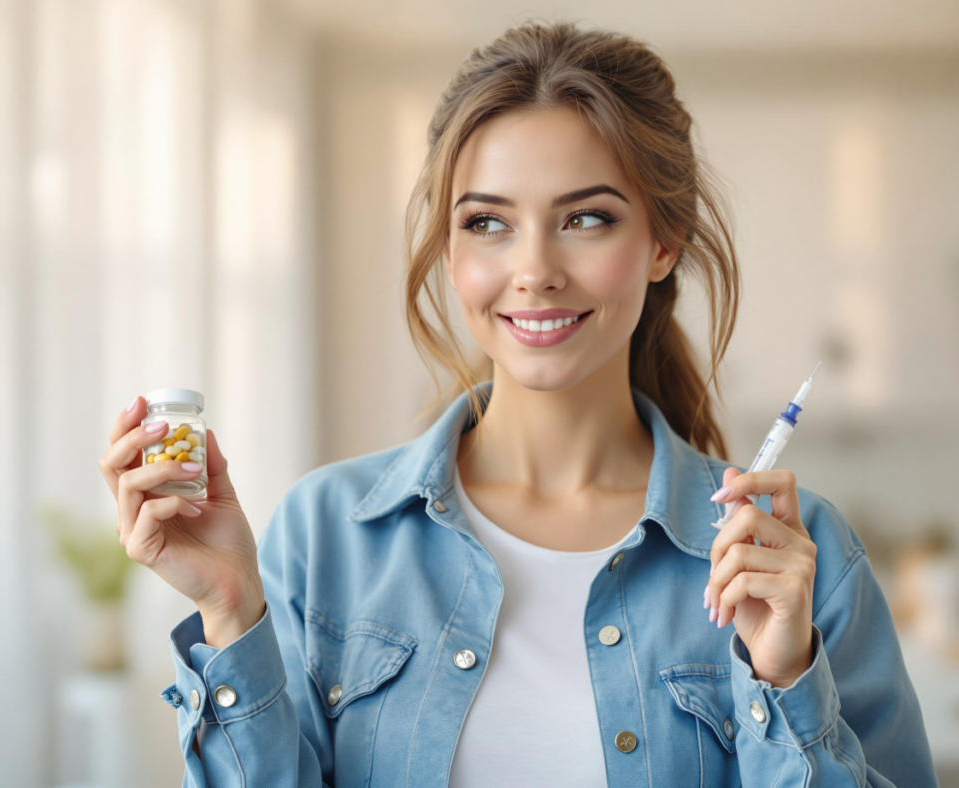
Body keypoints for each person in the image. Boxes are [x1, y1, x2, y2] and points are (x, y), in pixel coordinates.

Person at [99, 19, 938, 788]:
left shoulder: (805, 558)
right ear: (450, 251)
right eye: (489, 224)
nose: (534, 270)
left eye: (587, 219)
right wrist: (229, 611)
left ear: (661, 242)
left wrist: (787, 679)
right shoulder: (324, 538)